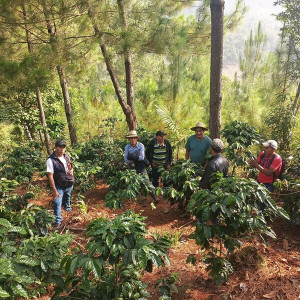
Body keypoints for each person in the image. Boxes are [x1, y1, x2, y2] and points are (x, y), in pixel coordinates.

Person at [47, 140, 74, 231]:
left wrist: (71, 171)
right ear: (55, 148)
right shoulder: (51, 160)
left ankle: (67, 206)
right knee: (57, 202)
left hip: (68, 182)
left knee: (68, 195)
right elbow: (50, 176)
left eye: (63, 147)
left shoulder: (66, 157)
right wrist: (55, 191)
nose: (62, 149)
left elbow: (70, 167)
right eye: (59, 147)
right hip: (59, 184)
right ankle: (58, 221)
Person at [124, 130, 156, 200]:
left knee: (146, 181)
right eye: (131, 138)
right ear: (129, 139)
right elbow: (125, 159)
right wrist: (135, 156)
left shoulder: (141, 145)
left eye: (134, 138)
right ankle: (137, 199)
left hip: (141, 166)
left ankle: (154, 197)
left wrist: (131, 157)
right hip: (131, 166)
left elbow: (141, 157)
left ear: (136, 138)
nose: (132, 140)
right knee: (134, 182)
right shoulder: (127, 147)